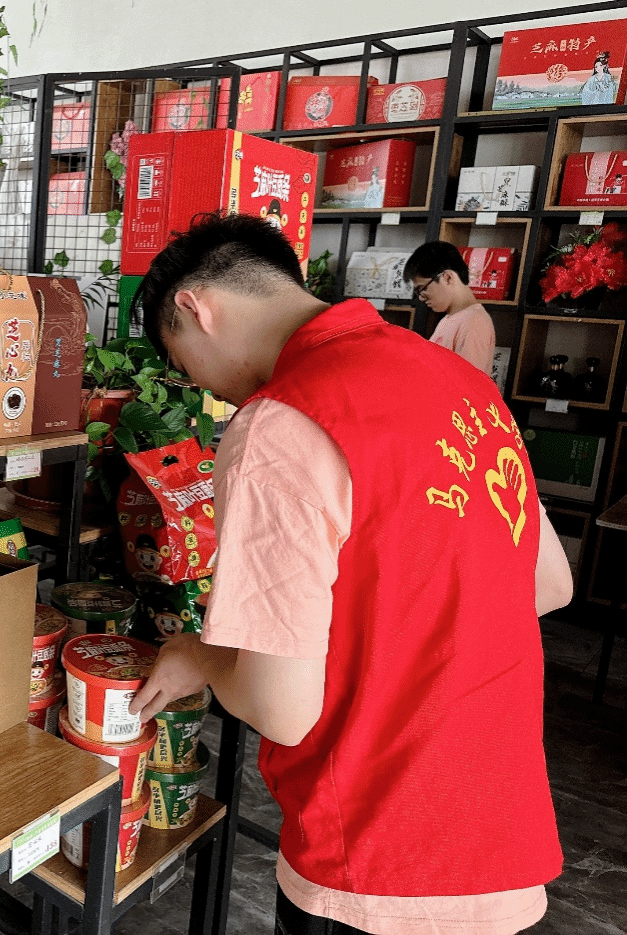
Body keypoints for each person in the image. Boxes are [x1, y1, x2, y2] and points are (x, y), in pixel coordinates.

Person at [128, 212, 570, 935]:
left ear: (195, 308)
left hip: (375, 852)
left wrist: (198, 657)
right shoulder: (463, 384)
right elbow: (548, 585)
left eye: (183, 365)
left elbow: (281, 710)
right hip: (501, 834)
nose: (203, 388)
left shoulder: (281, 423)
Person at [403, 241, 496, 375]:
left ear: (447, 278)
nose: (421, 298)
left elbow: (467, 382)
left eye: (422, 289)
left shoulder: (474, 322)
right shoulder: (450, 318)